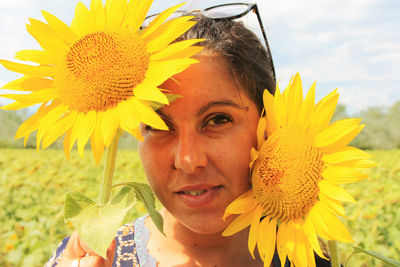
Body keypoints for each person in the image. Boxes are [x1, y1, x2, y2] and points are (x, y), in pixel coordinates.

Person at [46, 9, 331, 267]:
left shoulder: (309, 258)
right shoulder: (89, 258)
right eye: (158, 124)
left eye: (218, 119)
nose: (189, 160)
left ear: (270, 126)